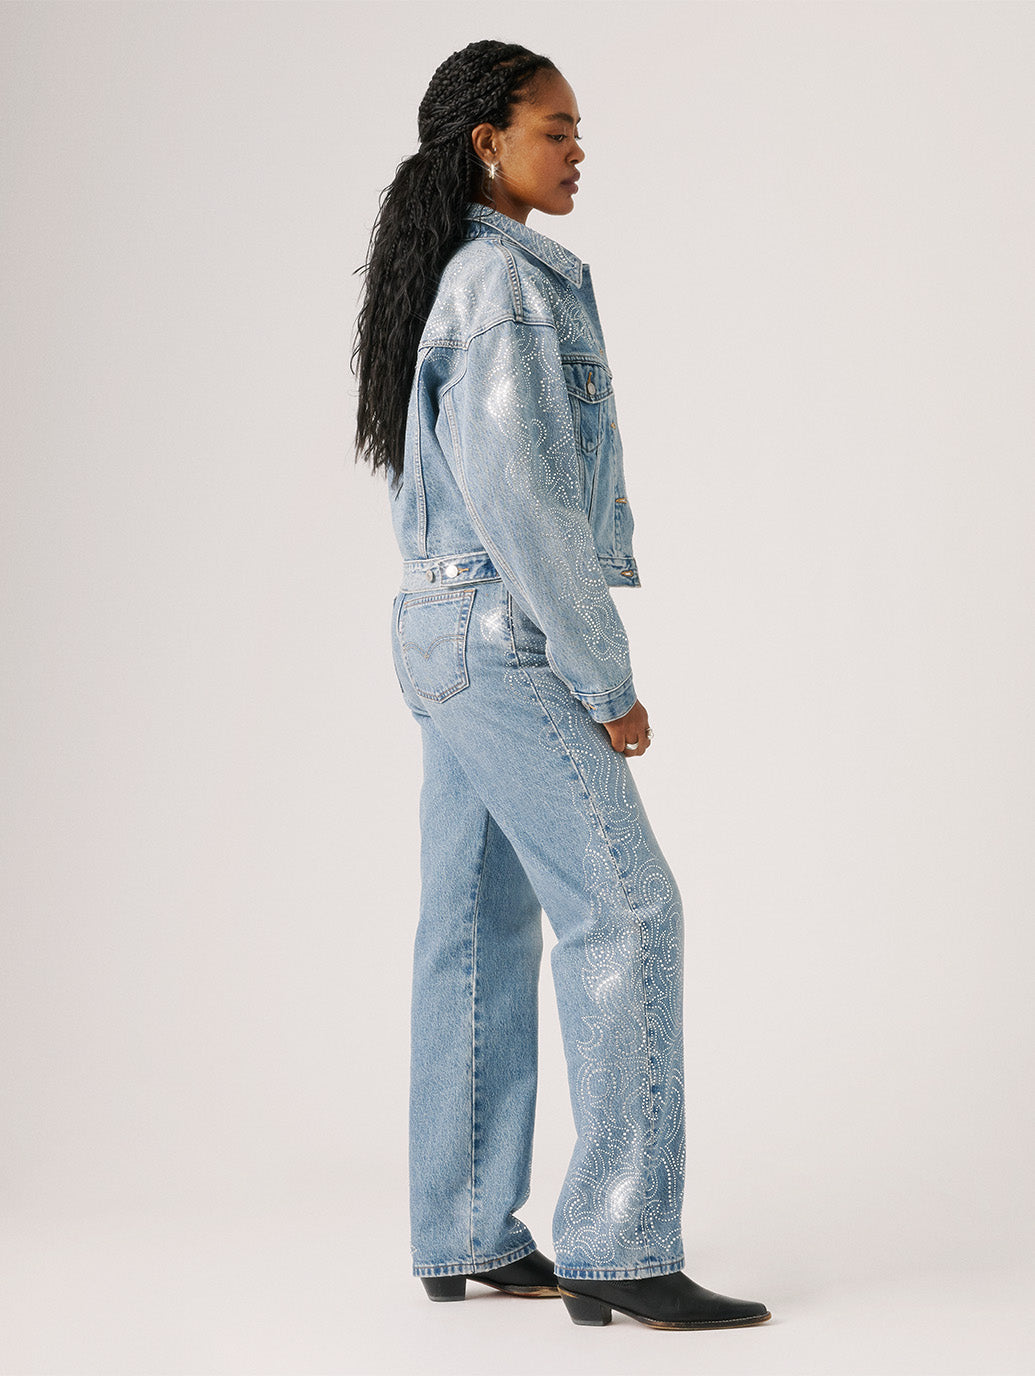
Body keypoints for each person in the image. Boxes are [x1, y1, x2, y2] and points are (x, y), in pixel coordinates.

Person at [351, 39, 771, 1332]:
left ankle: (466, 1231)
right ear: (488, 142)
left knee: (475, 930)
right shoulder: (504, 287)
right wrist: (605, 678)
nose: (579, 149)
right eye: (556, 128)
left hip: (438, 630)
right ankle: (619, 1242)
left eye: (580, 129)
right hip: (503, 635)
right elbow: (526, 505)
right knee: (630, 910)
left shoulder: (456, 276)